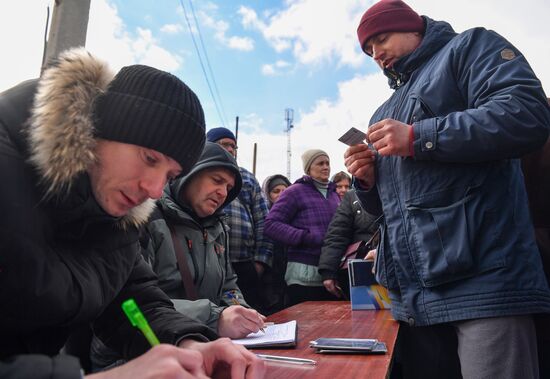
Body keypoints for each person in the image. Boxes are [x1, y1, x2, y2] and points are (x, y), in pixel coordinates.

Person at [0, 48, 264, 378]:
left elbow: (135, 303)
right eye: (150, 158)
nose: (155, 190)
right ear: (96, 129)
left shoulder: (116, 219)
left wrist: (191, 346)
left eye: (168, 175)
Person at [344, 1, 550, 378]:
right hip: (414, 300)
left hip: (485, 284)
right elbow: (389, 209)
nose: (376, 53)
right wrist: (368, 182)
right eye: (368, 50)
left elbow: (526, 112)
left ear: (414, 28)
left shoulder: (470, 47)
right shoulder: (383, 110)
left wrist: (418, 136)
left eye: (381, 38)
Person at [91, 142, 267, 370]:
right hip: (131, 357)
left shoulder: (218, 229)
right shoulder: (143, 217)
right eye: (216, 180)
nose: (223, 192)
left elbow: (229, 285)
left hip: (197, 344)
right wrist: (216, 317)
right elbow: (133, 305)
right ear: (189, 174)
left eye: (229, 187)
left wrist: (242, 311)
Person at [206, 127, 272, 314]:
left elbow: (263, 221)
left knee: (249, 317)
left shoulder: (248, 178)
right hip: (209, 262)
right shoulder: (197, 175)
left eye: (233, 146)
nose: (229, 149)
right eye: (223, 144)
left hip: (245, 264)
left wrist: (260, 262)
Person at [265, 149, 340, 306]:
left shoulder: (335, 194)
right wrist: (304, 237)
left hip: (332, 272)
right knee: (306, 327)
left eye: (327, 163)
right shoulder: (294, 191)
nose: (326, 167)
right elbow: (271, 224)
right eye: (320, 163)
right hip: (303, 275)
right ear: (308, 168)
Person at [318, 188, 380, 299]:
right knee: (364, 312)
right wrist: (328, 271)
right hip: (362, 270)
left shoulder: (403, 190)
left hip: (400, 268)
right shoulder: (352, 196)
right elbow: (337, 234)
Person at [261, 174, 292, 313]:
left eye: (285, 191)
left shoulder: (296, 216)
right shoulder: (262, 216)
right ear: (268, 194)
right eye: (276, 191)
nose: (281, 194)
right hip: (267, 276)